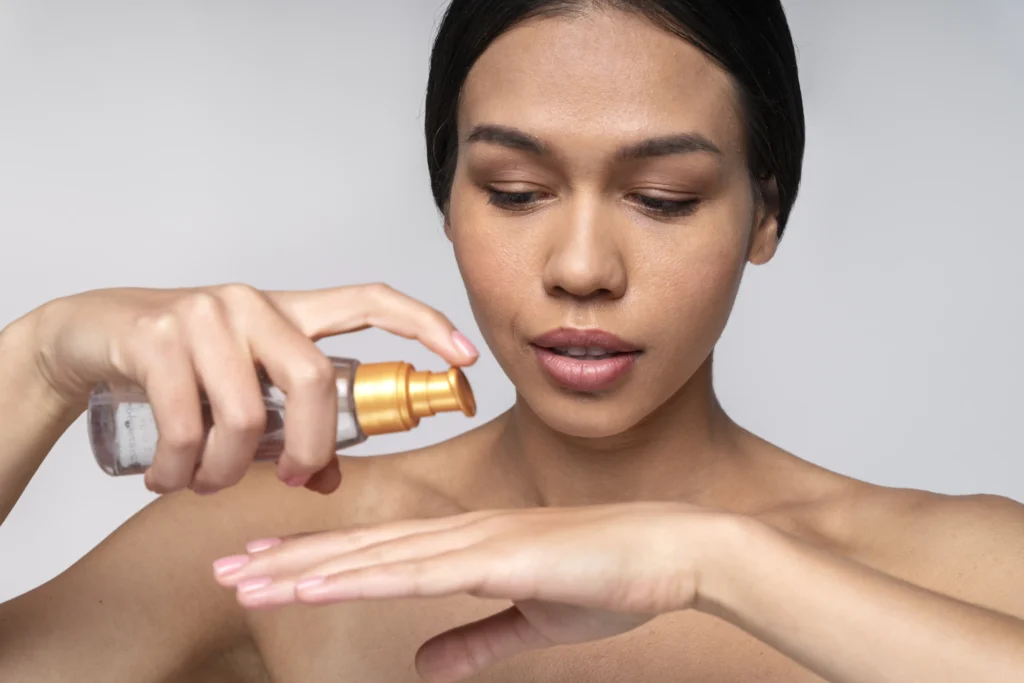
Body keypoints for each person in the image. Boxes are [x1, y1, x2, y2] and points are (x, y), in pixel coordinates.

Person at [1, 1, 1022, 681]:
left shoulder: (960, 564)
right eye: (515, 192)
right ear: (448, 199)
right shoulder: (276, 553)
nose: (581, 266)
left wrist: (720, 563)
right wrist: (42, 358)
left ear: (764, 214)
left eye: (663, 198)